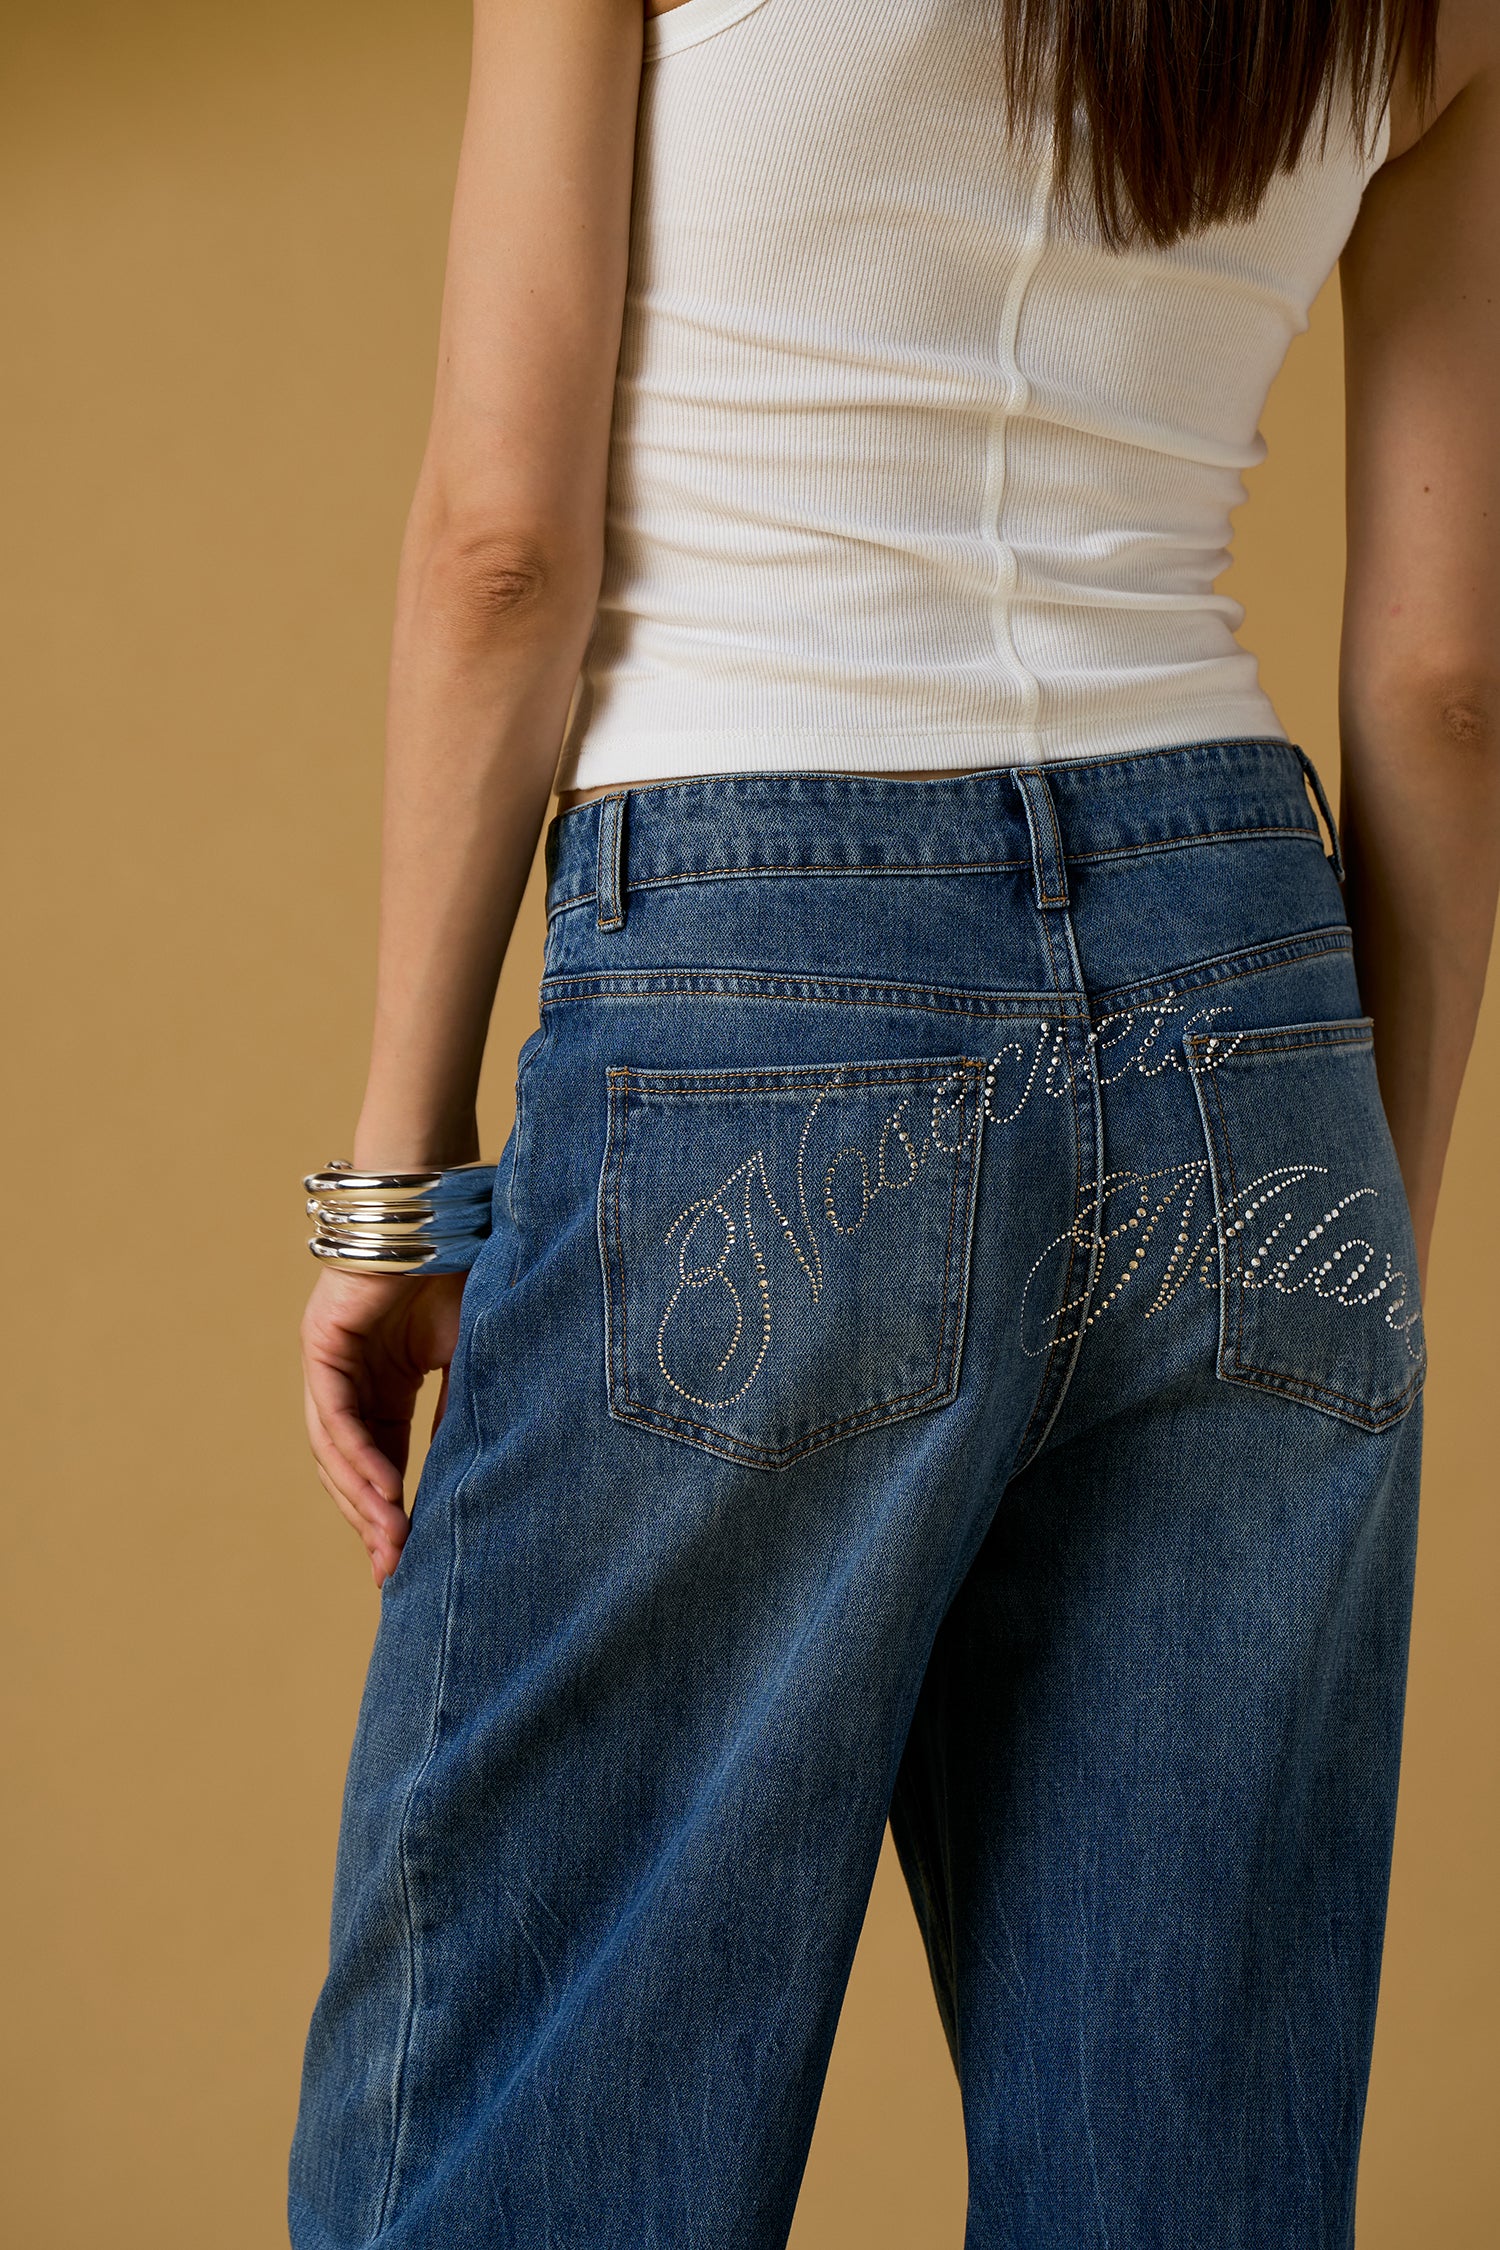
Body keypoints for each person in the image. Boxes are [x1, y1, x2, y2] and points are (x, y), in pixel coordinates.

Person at [290, 2, 1498, 2242]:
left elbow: (502, 552)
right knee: (1191, 2168)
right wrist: (1355, 1249)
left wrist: (395, 1193)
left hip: (765, 974)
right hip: (1253, 1010)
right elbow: (1450, 684)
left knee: (537, 2122)